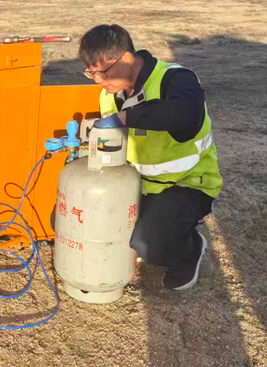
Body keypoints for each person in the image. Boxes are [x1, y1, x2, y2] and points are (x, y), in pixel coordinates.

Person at [81, 24, 222, 290]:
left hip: (185, 184)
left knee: (150, 245)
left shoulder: (176, 79)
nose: (98, 81)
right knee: (88, 216)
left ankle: (190, 250)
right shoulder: (109, 94)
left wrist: (124, 118)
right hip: (137, 186)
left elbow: (182, 114)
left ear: (126, 59)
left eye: (103, 72)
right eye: (91, 73)